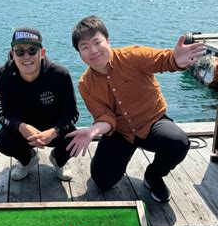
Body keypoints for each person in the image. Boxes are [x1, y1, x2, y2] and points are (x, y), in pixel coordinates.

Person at [66, 16, 206, 202]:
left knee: (178, 142)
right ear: (79, 53)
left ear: (108, 41)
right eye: (84, 47)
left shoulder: (132, 56)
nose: (93, 50)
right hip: (120, 132)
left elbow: (162, 60)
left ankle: (154, 175)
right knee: (102, 181)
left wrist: (176, 60)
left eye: (97, 42)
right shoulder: (85, 84)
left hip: (151, 123)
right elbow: (105, 116)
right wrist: (93, 131)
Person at [0, 27, 79, 181]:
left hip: (53, 128)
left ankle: (58, 160)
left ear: (42, 53)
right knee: (3, 141)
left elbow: (72, 114)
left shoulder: (60, 75)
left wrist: (53, 132)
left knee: (75, 139)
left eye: (32, 50)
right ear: (12, 54)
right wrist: (22, 127)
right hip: (23, 131)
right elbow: (3, 114)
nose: (26, 56)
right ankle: (28, 159)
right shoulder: (3, 75)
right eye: (20, 51)